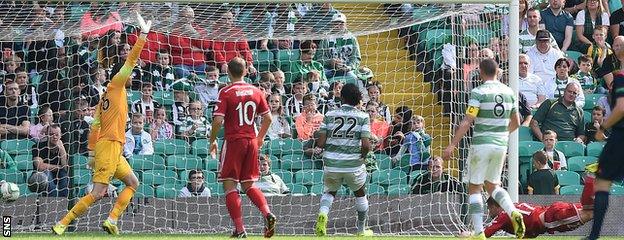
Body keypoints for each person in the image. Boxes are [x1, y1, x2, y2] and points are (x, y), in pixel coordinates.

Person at [52, 13, 151, 236]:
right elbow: (131, 60)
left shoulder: (106, 96)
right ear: (121, 74)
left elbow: (95, 126)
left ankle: (112, 220)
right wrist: (143, 35)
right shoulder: (116, 85)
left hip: (112, 148)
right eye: (129, 74)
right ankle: (62, 223)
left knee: (133, 182)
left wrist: (90, 153)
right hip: (110, 146)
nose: (132, 76)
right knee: (98, 192)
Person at [442, 59, 525, 240]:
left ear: (480, 72)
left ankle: (479, 232)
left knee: (475, 188)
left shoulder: (478, 92)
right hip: (501, 144)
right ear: (497, 72)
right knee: (493, 185)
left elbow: (467, 121)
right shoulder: (509, 92)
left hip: (481, 144)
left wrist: (452, 144)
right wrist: (502, 134)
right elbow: (517, 122)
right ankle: (512, 212)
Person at [208, 57, 276, 238]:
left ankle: (240, 230)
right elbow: (268, 118)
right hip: (251, 141)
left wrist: (212, 139)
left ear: (228, 72)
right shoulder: (256, 91)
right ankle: (267, 213)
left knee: (230, 186)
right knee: (249, 184)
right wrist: (260, 138)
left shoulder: (226, 91)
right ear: (246, 71)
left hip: (233, 141)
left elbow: (218, 121)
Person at [314, 83, 374, 237]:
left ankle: (323, 215)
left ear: (342, 97)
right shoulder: (363, 116)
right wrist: (362, 156)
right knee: (360, 193)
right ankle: (361, 231)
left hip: (332, 163)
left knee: (330, 191)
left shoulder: (329, 115)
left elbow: (320, 143)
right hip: (353, 164)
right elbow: (366, 144)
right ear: (358, 99)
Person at [584, 73, 624, 240]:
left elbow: (621, 108)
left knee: (602, 183)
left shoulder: (621, 78)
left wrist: (602, 128)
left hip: (620, 137)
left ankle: (593, 236)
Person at [32, 124, 69, 197]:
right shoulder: (38, 146)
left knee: (64, 175)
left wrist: (62, 150)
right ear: (46, 135)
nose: (54, 137)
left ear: (60, 135)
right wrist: (59, 167)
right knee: (47, 173)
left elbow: (66, 168)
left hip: (59, 175)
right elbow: (40, 167)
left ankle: (64, 201)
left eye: (57, 135)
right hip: (40, 177)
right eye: (51, 134)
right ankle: (52, 202)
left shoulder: (65, 147)